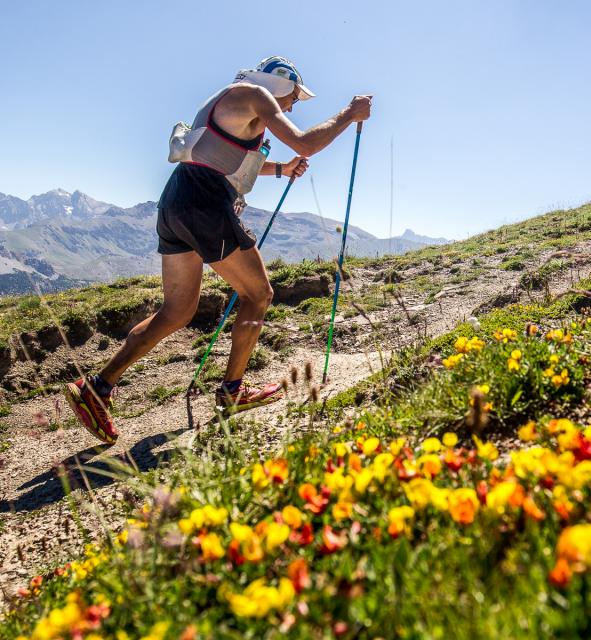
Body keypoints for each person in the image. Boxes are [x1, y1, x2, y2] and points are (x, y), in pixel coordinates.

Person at [64, 55, 372, 445]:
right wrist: (349, 113)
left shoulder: (230, 100)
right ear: (280, 84)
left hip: (177, 200)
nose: (292, 106)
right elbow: (306, 144)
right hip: (207, 204)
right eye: (294, 96)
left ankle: (97, 388)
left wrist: (280, 169)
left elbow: (225, 159)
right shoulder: (257, 95)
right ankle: (232, 391)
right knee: (258, 293)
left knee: (177, 310)